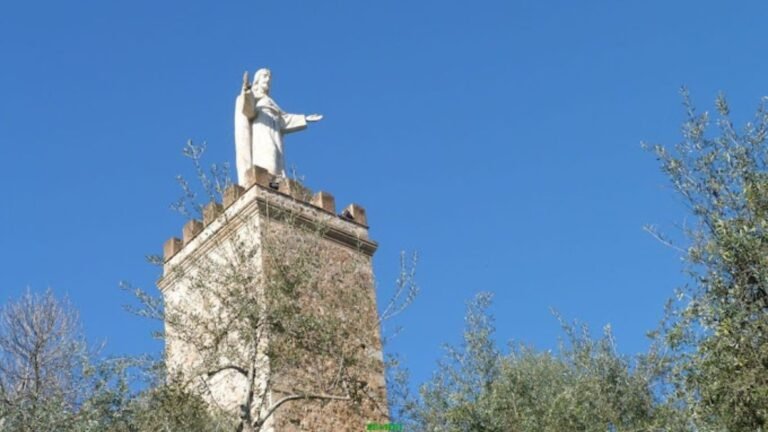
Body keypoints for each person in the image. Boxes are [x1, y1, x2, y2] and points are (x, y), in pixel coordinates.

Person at [234, 68, 322, 184]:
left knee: (277, 162)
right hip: (262, 133)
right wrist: (246, 90)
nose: (268, 79)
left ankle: (275, 186)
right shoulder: (254, 97)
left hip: (275, 134)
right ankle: (267, 184)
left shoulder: (270, 101)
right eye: (265, 76)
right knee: (268, 159)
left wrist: (305, 119)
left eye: (269, 77)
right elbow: (248, 111)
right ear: (257, 81)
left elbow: (284, 120)